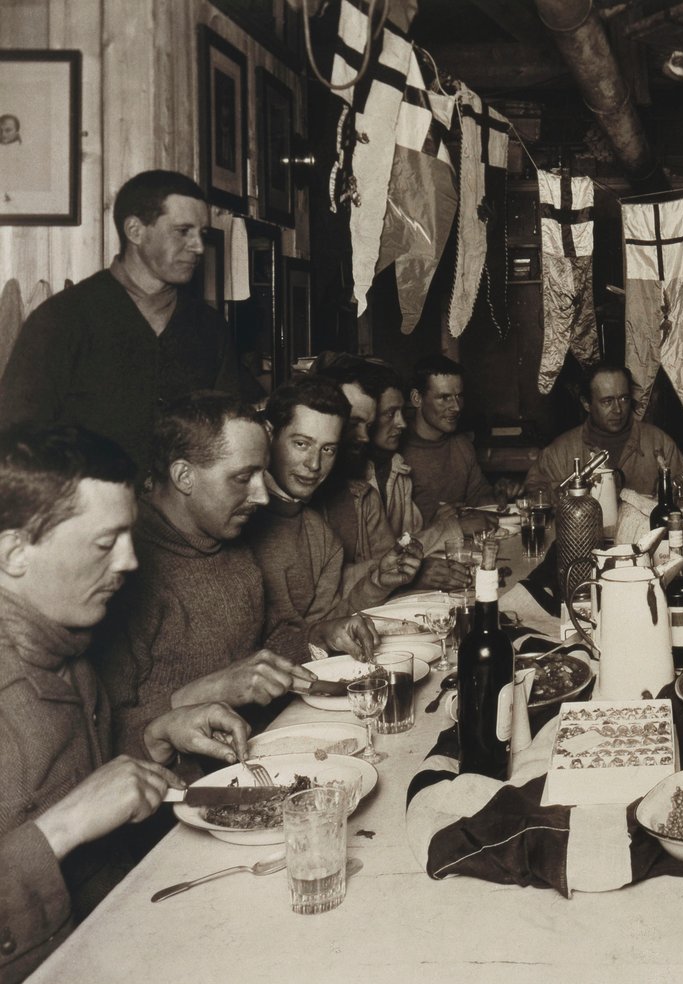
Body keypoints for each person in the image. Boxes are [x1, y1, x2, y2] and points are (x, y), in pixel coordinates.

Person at [0, 423, 252, 983]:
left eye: (130, 537)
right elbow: (72, 807)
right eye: (104, 543)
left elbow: (82, 775)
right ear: (15, 552)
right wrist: (61, 828)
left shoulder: (66, 648)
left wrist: (156, 735)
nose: (130, 562)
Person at [91, 392, 323, 757]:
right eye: (243, 477)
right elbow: (101, 739)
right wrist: (209, 691)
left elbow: (268, 645)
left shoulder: (228, 537)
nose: (262, 496)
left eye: (262, 474)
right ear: (184, 476)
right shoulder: (118, 573)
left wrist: (322, 637)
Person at [0, 170, 250, 470]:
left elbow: (229, 434)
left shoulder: (211, 328)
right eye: (183, 231)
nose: (198, 246)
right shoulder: (60, 319)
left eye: (202, 234)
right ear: (135, 231)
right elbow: (17, 439)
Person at [247, 376, 402, 662]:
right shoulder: (234, 521)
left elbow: (322, 627)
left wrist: (378, 583)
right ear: (268, 435)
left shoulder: (320, 535)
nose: (314, 464)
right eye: (301, 444)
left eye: (328, 449)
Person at [314, 359, 466, 591]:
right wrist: (449, 530)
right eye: (389, 413)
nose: (402, 423)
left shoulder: (390, 473)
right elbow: (326, 586)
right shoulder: (319, 486)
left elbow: (390, 558)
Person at [525, 362, 683, 498]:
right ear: (586, 404)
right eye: (607, 401)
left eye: (624, 399)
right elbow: (534, 493)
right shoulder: (560, 451)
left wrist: (674, 487)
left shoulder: (658, 442)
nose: (618, 410)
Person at [399, 354, 517, 532]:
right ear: (417, 398)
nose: (456, 407)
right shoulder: (397, 453)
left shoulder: (462, 445)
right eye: (444, 397)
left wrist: (500, 494)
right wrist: (435, 527)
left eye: (459, 396)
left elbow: (478, 499)